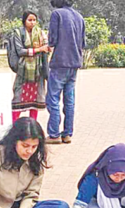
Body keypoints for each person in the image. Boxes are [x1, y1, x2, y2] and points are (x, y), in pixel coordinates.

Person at [45, 0, 85, 145]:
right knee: (69, 100)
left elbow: (52, 40)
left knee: (53, 98)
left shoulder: (57, 14)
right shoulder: (79, 17)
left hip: (60, 62)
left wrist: (47, 44)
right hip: (75, 63)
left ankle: (54, 134)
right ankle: (67, 133)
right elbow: (83, 42)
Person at [11, 11, 49, 122]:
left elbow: (46, 46)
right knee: (18, 99)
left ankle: (33, 124)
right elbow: (20, 51)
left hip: (38, 71)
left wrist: (47, 48)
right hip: (23, 71)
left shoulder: (41, 33)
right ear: (24, 21)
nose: (32, 23)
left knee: (34, 101)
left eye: (34, 20)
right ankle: (15, 125)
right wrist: (38, 50)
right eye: (29, 20)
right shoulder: (18, 33)